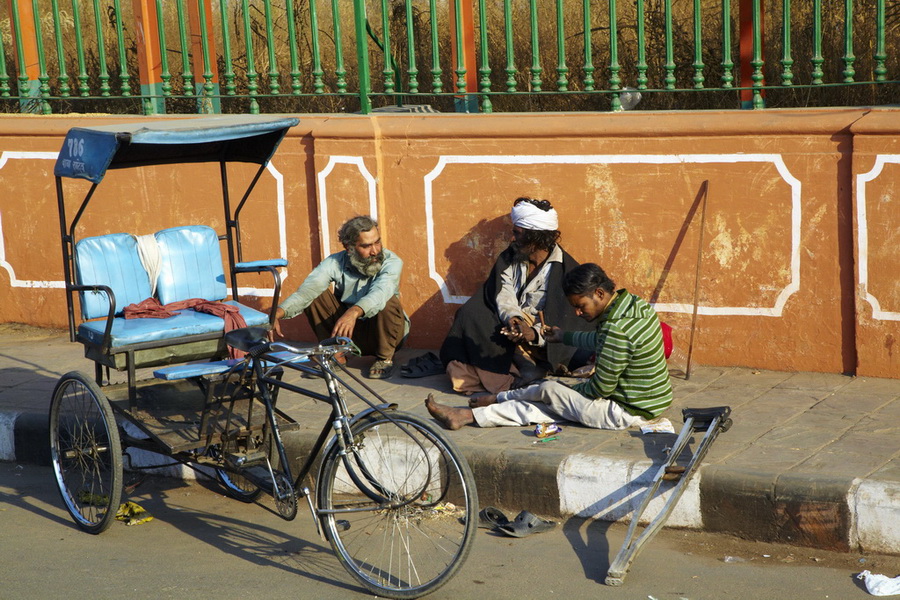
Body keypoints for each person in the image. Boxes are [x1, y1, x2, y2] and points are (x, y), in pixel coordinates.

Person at [426, 262, 673, 430]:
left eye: (581, 306)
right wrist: (563, 336)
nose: (577, 313)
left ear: (599, 293)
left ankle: (494, 400)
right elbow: (600, 341)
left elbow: (601, 388)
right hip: (653, 402)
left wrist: (563, 392)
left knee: (548, 391)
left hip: (625, 411)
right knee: (548, 404)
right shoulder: (634, 305)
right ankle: (471, 414)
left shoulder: (615, 329)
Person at [436, 197, 593, 394]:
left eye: (517, 233)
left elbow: (564, 321)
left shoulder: (567, 271)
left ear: (536, 237)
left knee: (472, 372)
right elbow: (502, 292)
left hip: (541, 337)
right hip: (508, 328)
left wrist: (531, 332)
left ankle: (522, 368)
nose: (512, 239)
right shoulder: (510, 257)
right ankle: (522, 368)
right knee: (470, 315)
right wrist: (514, 319)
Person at [273, 215, 408, 379]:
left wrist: (354, 312)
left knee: (387, 301)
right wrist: (277, 313)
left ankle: (385, 359)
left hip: (381, 333)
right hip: (346, 332)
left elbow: (380, 292)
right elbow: (307, 291)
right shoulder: (335, 262)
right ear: (349, 248)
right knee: (315, 295)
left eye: (377, 242)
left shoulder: (392, 262)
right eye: (366, 246)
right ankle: (336, 355)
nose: (375, 251)